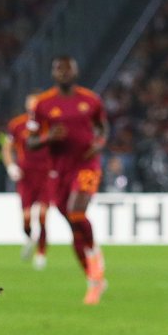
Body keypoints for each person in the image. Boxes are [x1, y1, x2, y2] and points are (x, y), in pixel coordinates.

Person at [28, 56, 109, 304]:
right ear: (53, 73)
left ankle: (95, 253)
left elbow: (103, 128)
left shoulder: (90, 100)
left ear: (75, 71)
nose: (63, 73)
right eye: (59, 69)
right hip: (59, 173)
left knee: (76, 212)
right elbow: (30, 142)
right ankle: (94, 281)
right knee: (74, 228)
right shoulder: (42, 104)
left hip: (87, 166)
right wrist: (47, 137)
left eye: (68, 69)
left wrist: (99, 143)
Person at [2, 94, 52, 270]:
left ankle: (41, 253)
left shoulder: (49, 124)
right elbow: (7, 148)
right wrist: (11, 166)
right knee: (26, 218)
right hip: (26, 177)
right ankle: (31, 239)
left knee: (43, 215)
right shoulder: (16, 125)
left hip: (46, 175)